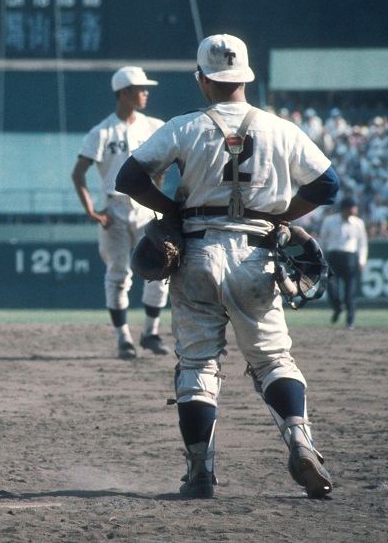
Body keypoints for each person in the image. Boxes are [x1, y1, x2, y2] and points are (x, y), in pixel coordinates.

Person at [115, 34, 339, 499]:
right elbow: (328, 184)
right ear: (247, 77)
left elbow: (129, 178)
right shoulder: (282, 129)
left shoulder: (183, 126)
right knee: (274, 359)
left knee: (196, 363)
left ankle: (200, 472)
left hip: (195, 251)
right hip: (257, 255)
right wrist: (281, 217)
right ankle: (300, 442)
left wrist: (170, 212)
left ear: (203, 79)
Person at [71, 66, 170, 359]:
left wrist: (159, 194)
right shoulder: (101, 132)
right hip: (114, 206)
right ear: (124, 93)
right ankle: (123, 338)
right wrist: (92, 211)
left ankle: (150, 332)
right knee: (117, 274)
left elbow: (165, 162)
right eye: (140, 88)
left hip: (146, 206)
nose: (145, 92)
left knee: (161, 268)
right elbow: (78, 174)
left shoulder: (154, 125)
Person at [319, 196, 368, 329]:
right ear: (346, 209)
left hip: (350, 257)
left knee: (350, 291)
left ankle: (350, 319)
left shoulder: (358, 223)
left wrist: (362, 260)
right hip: (333, 257)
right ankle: (337, 307)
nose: (355, 210)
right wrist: (321, 258)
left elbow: (362, 243)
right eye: (353, 207)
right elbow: (323, 240)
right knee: (332, 289)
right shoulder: (330, 221)